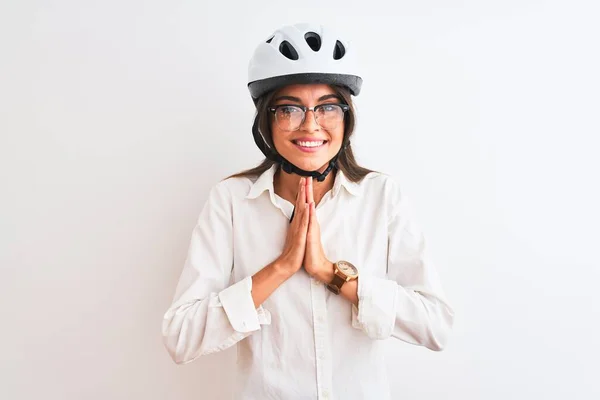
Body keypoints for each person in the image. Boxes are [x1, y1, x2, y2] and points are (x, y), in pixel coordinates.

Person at [162, 23, 454, 400]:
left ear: (347, 116)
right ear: (266, 119)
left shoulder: (382, 196)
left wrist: (330, 274)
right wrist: (281, 267)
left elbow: (436, 326)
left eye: (328, 107)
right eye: (290, 109)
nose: (311, 124)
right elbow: (180, 337)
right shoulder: (231, 200)